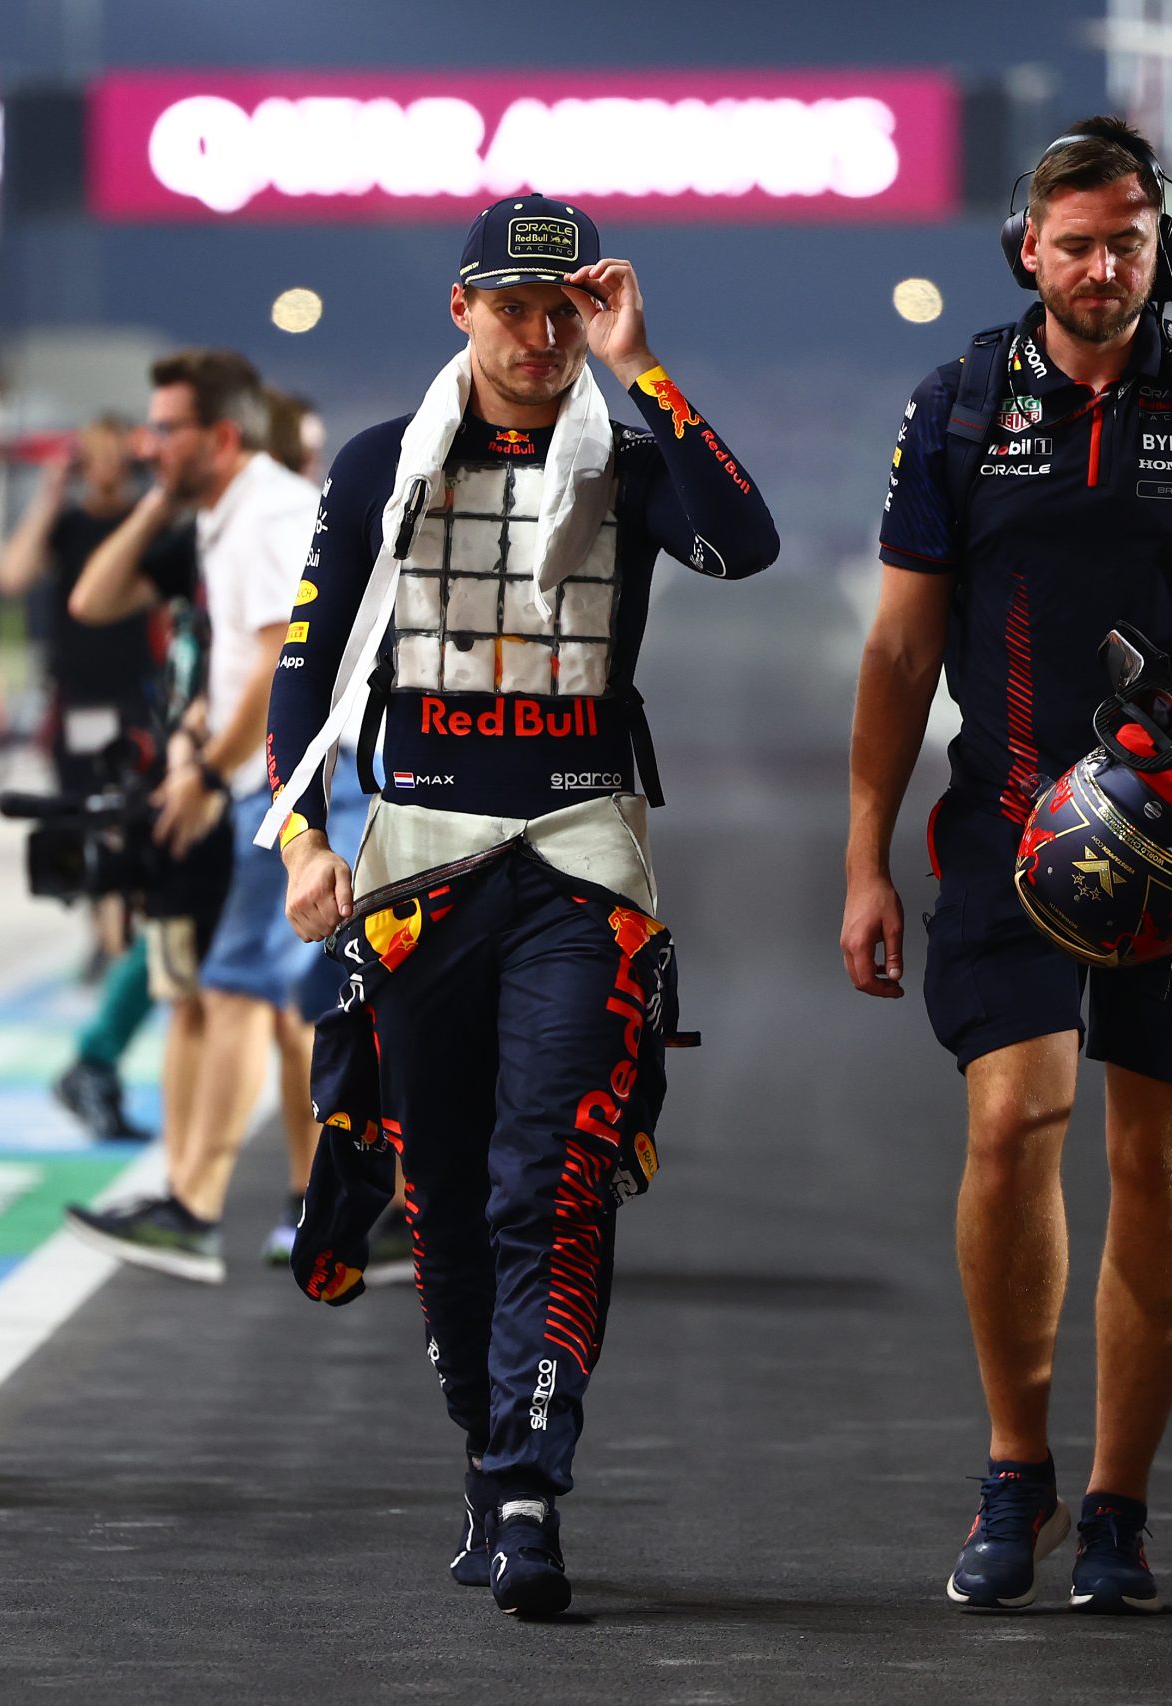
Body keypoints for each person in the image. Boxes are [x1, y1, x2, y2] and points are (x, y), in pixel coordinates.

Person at [843, 118, 1172, 1615]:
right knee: (1014, 1120)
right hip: (1006, 819)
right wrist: (863, 856)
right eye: (1077, 241)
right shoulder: (955, 403)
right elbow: (897, 642)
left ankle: (1117, 1505)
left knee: (1154, 1158)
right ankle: (1016, 1471)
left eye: (1129, 238)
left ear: (1162, 248)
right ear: (1027, 251)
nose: (1105, 264)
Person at [265, 192, 780, 1616]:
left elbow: (747, 545)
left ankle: (532, 1480)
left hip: (581, 855)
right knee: (438, 1191)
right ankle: (489, 1468)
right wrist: (307, 840)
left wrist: (647, 364)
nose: (544, 336)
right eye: (516, 308)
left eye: (568, 310)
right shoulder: (379, 464)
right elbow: (307, 673)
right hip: (417, 860)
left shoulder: (627, 452)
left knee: (547, 1175)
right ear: (462, 308)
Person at [54, 349, 350, 1281]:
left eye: (166, 428)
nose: (148, 444)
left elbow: (277, 669)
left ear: (220, 437)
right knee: (279, 1000)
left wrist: (209, 776)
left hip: (292, 778)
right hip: (278, 776)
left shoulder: (264, 514)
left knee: (235, 991)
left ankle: (195, 1208)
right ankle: (315, 1206)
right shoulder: (230, 514)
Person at [0, 414, 182, 1141]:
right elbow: (10, 575)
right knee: (85, 829)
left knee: (123, 832)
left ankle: (115, 940)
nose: (104, 474)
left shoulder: (150, 523)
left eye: (114, 460)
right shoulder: (67, 526)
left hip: (134, 701)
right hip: (76, 704)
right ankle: (108, 938)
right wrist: (46, 500)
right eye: (91, 461)